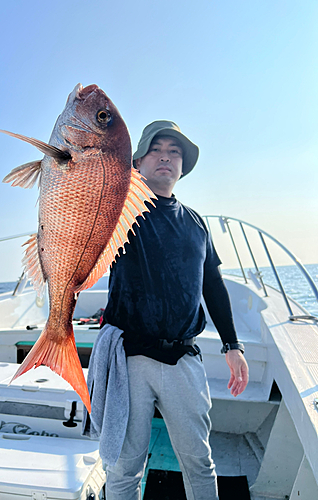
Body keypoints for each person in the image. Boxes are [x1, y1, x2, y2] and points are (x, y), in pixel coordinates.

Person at [102, 120, 249, 500]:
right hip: (128, 358)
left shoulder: (197, 223)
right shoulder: (118, 208)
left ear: (182, 166)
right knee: (123, 467)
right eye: (156, 149)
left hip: (183, 358)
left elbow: (212, 286)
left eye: (175, 151)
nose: (165, 157)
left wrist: (234, 346)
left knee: (199, 461)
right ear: (137, 161)